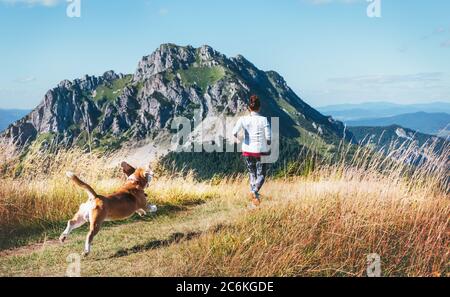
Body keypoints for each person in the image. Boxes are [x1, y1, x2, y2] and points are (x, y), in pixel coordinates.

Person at [232, 95, 271, 207]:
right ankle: (254, 191)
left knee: (252, 173)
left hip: (247, 151)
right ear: (259, 108)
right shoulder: (263, 120)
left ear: (249, 108)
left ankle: (254, 202)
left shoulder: (243, 119)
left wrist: (239, 140)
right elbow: (268, 138)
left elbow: (234, 132)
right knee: (262, 174)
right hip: (260, 151)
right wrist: (268, 146)